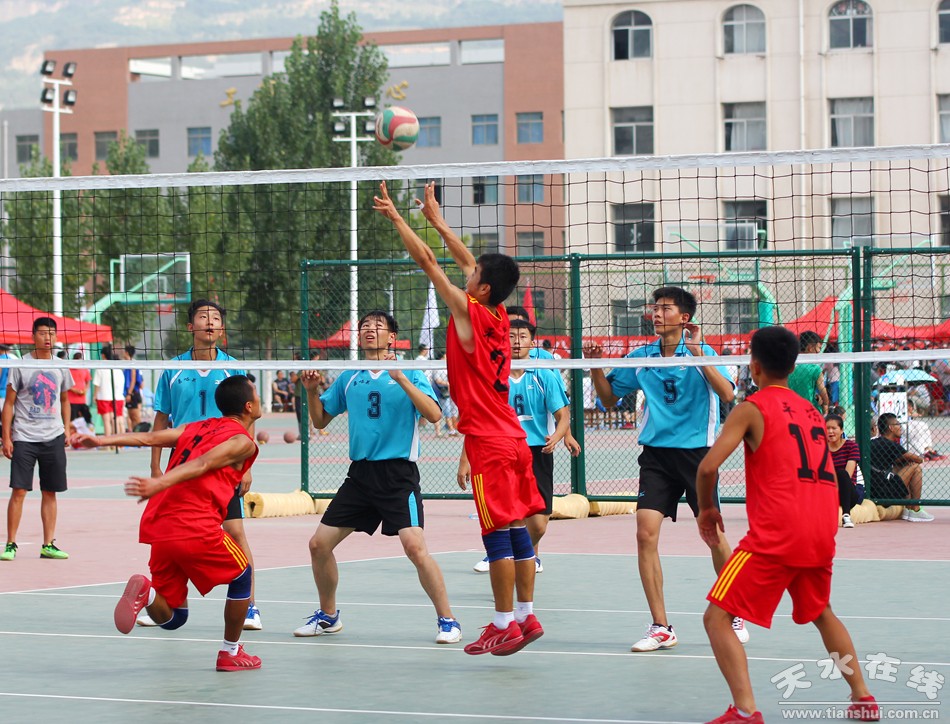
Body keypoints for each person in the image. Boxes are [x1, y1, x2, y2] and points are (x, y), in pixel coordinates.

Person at [375, 180, 545, 656]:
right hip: (512, 436)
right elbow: (468, 262)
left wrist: (398, 219)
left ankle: (502, 623)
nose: (465, 276)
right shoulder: (499, 311)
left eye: (472, 277)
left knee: (496, 535)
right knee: (514, 530)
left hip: (490, 441)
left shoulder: (468, 312)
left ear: (482, 289)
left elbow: (430, 264)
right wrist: (436, 219)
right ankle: (527, 618)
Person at [696, 326, 879, 724]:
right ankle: (863, 696)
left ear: (754, 365)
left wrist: (707, 510)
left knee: (716, 618)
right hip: (821, 528)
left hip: (778, 533)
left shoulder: (752, 407)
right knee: (823, 612)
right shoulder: (813, 411)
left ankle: (745, 711)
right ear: (795, 365)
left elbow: (708, 466)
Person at [584, 286, 744, 652]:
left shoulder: (702, 353)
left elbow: (727, 394)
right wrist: (594, 366)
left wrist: (699, 350)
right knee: (644, 534)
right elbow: (609, 398)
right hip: (656, 456)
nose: (656, 314)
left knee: (713, 534)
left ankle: (734, 608)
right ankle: (661, 626)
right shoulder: (642, 356)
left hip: (697, 457)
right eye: (654, 308)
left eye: (665, 308)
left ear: (684, 318)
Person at [71, 375, 263, 671]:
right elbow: (202, 464)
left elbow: (149, 437)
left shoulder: (198, 426)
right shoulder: (242, 442)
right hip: (196, 525)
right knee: (242, 576)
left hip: (161, 525)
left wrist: (100, 439)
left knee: (173, 617)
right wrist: (158, 484)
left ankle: (146, 592)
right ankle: (230, 652)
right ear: (249, 407)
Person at [294, 310, 461, 645]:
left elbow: (433, 414)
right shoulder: (349, 376)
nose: (370, 330)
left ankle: (448, 620)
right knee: (318, 545)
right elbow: (321, 421)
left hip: (398, 475)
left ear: (391, 338)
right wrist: (311, 391)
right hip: (360, 475)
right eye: (365, 327)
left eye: (378, 326)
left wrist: (400, 377)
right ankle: (328, 616)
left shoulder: (409, 372)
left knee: (415, 548)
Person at [148, 300, 264, 630]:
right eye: (203, 317)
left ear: (222, 329)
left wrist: (247, 466)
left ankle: (251, 606)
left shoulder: (233, 369)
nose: (210, 322)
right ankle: (163, 602)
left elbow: (247, 419)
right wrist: (156, 467)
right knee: (171, 535)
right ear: (191, 327)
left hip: (223, 465)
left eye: (215, 317)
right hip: (182, 464)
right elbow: (160, 419)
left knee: (235, 532)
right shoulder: (173, 369)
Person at [470, 319, 581, 573]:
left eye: (522, 336)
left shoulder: (543, 373)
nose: (516, 341)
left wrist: (560, 435)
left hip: (536, 451)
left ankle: (525, 552)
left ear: (532, 342)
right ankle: (502, 554)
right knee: (504, 512)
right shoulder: (492, 374)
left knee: (539, 523)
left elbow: (562, 415)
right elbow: (478, 418)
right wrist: (467, 458)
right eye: (511, 336)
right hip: (500, 448)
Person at [1, 317, 73, 561]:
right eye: (43, 333)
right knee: (19, 490)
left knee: (50, 491)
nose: (48, 338)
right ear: (33, 336)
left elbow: (65, 399)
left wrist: (67, 428)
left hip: (53, 435)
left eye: (52, 333)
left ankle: (48, 544)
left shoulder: (61, 365)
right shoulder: (21, 365)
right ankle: (10, 543)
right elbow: (9, 403)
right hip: (24, 436)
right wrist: (6, 436)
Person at [869, 413, 934, 522]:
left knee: (902, 465)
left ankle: (908, 508)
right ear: (891, 428)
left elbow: (899, 460)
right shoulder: (891, 445)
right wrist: (922, 458)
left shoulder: (875, 442)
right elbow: (917, 459)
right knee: (915, 467)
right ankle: (915, 509)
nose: (901, 427)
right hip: (884, 492)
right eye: (898, 424)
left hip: (873, 491)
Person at [825, 414, 861, 528]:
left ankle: (846, 515)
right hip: (827, 489)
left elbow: (848, 475)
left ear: (841, 430)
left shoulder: (851, 446)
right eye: (827, 428)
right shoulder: (821, 447)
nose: (830, 431)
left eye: (834, 428)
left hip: (848, 492)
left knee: (842, 474)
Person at [787, 330, 829, 414]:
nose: (818, 352)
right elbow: (823, 391)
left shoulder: (787, 365)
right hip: (809, 411)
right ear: (810, 347)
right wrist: (826, 404)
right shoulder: (815, 369)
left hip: (790, 409)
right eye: (818, 348)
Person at [94, 344, 127, 438]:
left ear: (103, 355)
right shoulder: (118, 370)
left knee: (107, 421)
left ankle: (108, 444)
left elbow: (97, 384)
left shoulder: (100, 368)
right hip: (117, 397)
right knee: (116, 420)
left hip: (104, 397)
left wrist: (94, 396)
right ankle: (118, 443)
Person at [67, 352, 92, 427]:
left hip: (82, 400)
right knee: (72, 421)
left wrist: (85, 390)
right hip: (71, 400)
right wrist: (74, 390)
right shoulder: (69, 370)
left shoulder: (84, 370)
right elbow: (65, 384)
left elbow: (88, 382)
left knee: (87, 420)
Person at [123, 345, 145, 432]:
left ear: (127, 353)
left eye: (124, 352)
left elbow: (133, 379)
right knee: (131, 417)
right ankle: (135, 436)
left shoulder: (132, 364)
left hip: (133, 393)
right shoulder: (127, 364)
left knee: (136, 416)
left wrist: (129, 393)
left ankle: (141, 436)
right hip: (131, 393)